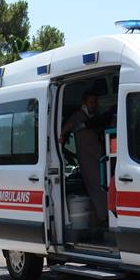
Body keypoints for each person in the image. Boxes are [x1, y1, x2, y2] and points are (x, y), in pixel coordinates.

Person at [61, 90, 108, 226]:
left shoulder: (95, 118)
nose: (94, 105)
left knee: (104, 186)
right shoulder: (78, 117)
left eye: (95, 102)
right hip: (87, 159)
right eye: (91, 102)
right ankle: (102, 217)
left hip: (100, 158)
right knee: (96, 187)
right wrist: (61, 137)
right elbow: (65, 129)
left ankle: (104, 216)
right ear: (84, 103)